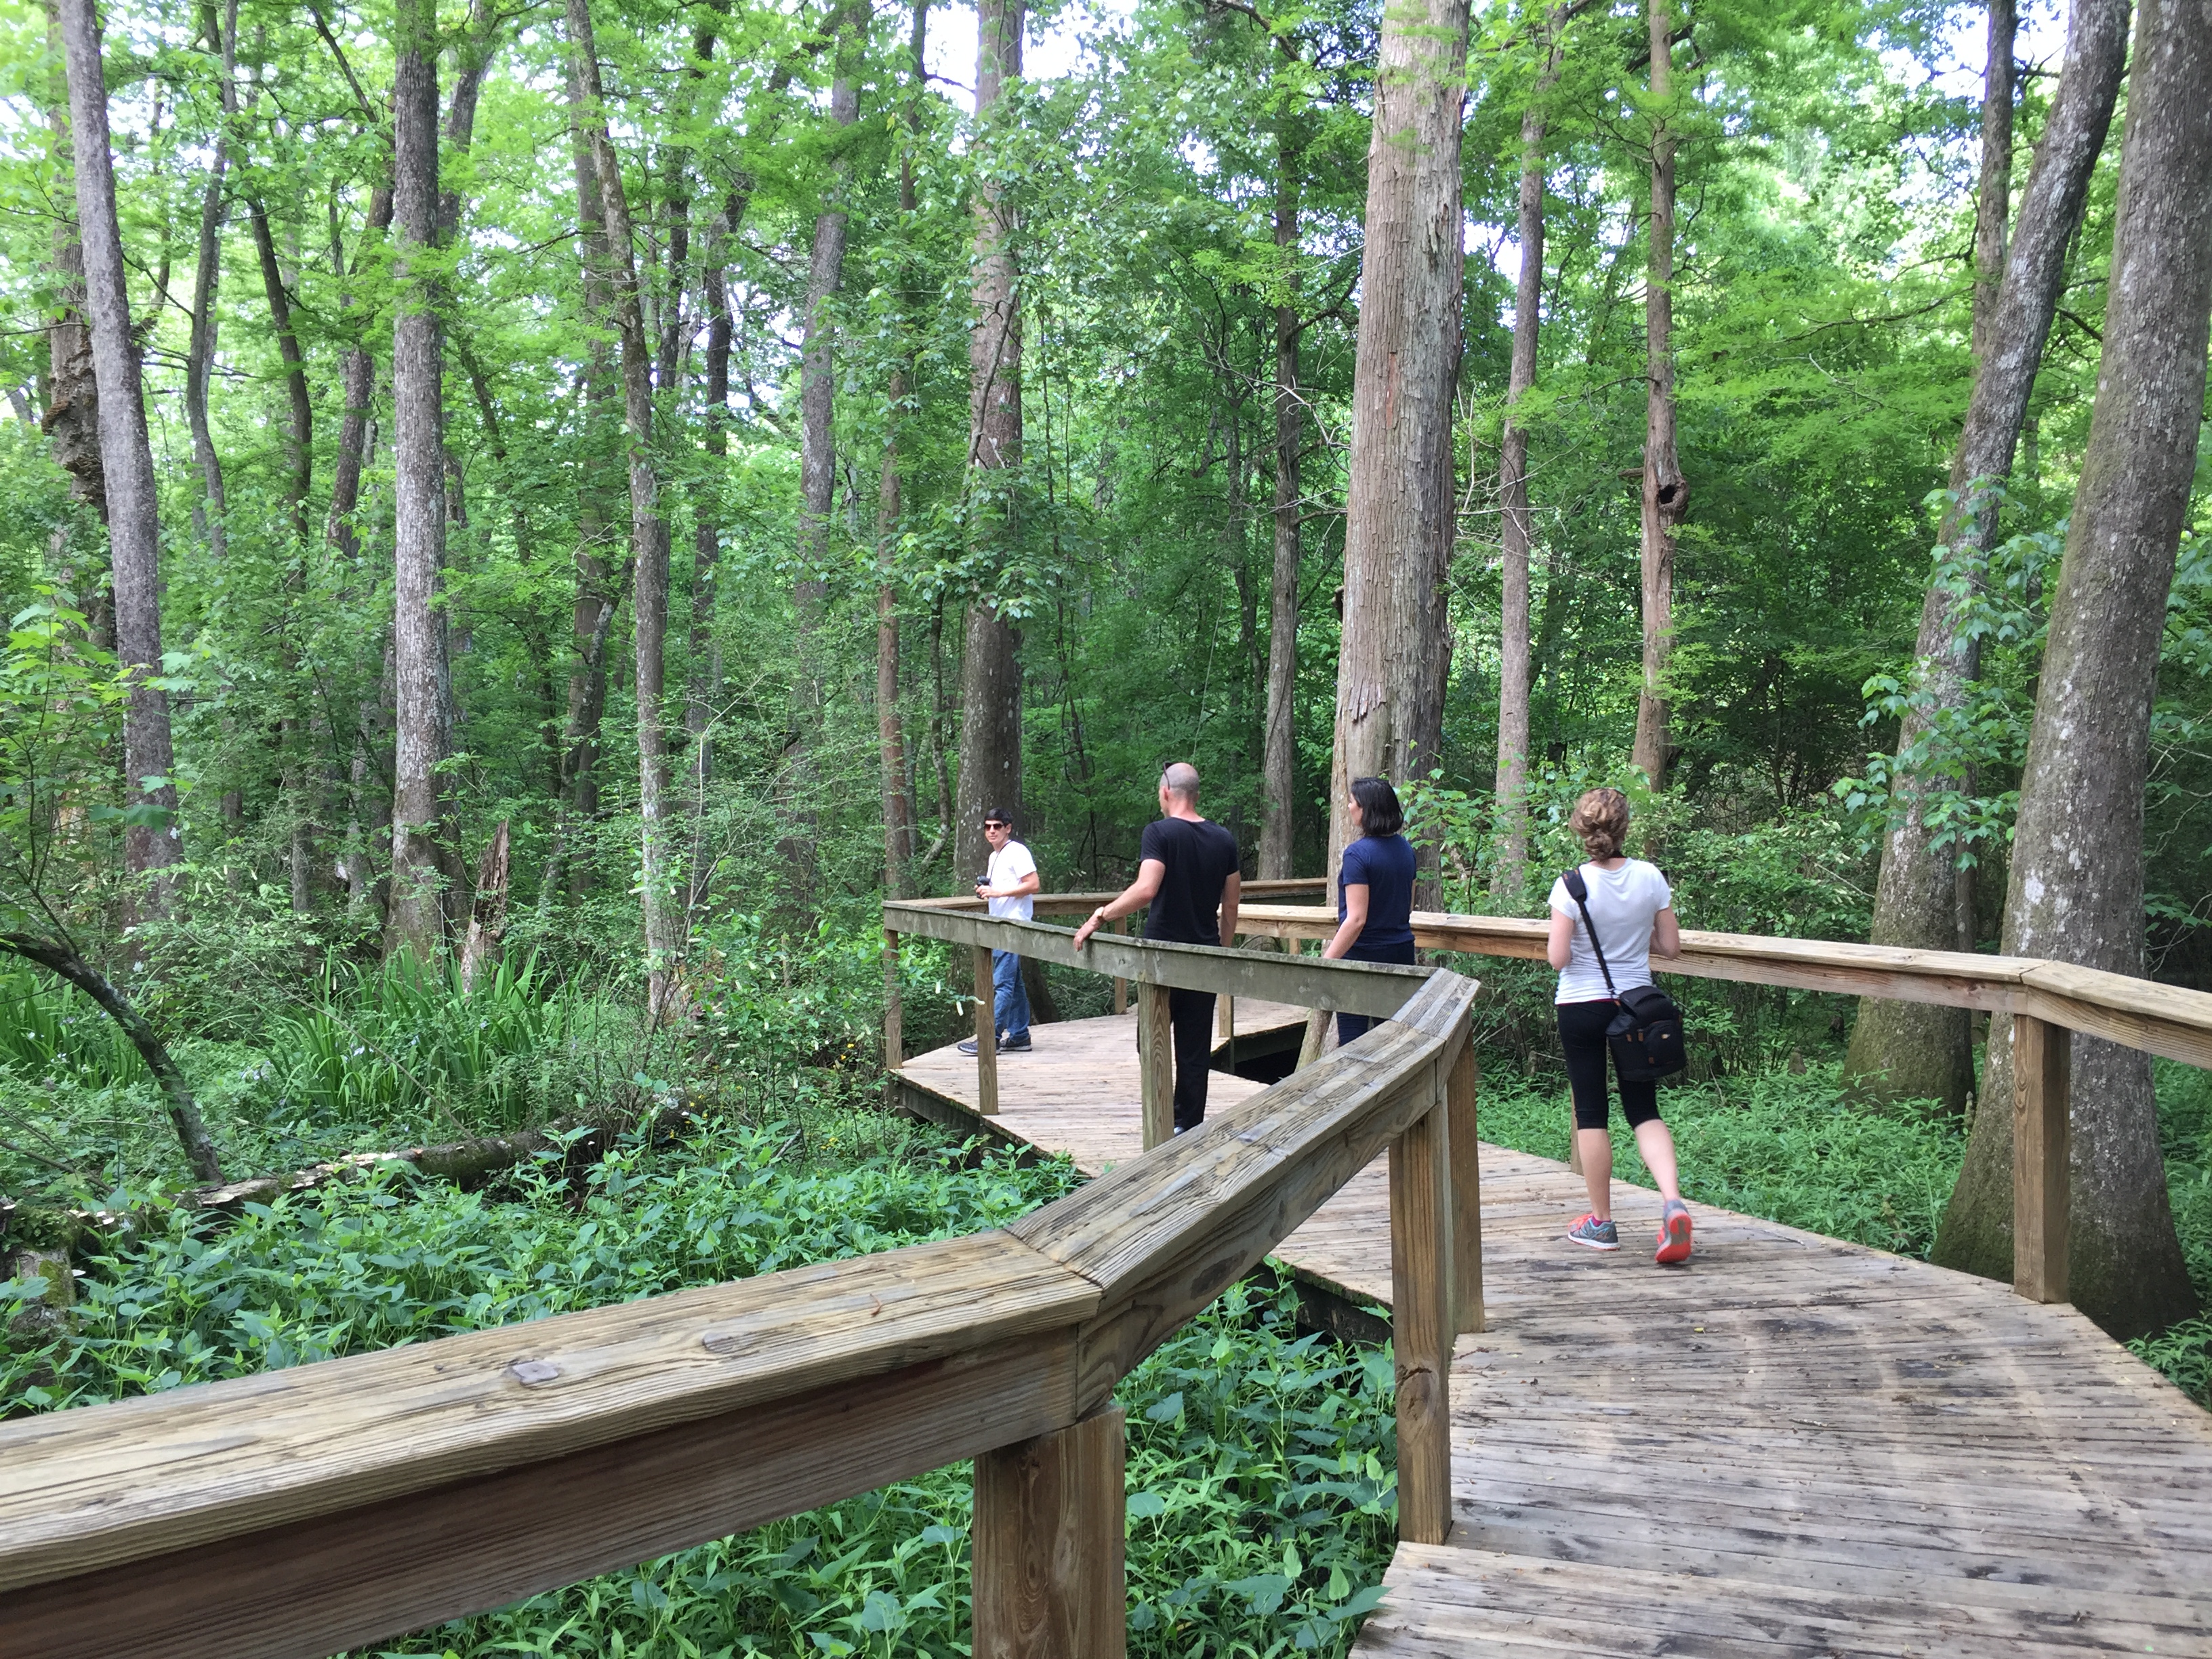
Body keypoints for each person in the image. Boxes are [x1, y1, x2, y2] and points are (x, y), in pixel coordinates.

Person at [1546, 786, 1693, 1264]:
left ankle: (1602, 1224)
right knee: (1643, 1108)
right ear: (1625, 826)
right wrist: (1634, 932)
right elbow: (1670, 947)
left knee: (1591, 1112)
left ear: (1581, 830)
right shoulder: (1650, 877)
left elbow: (1558, 958)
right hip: (1637, 1006)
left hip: (1581, 1007)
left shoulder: (1570, 885)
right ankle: (1672, 1203)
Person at [1072, 762, 1241, 1132]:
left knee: (1150, 1041)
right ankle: (1187, 1124)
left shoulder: (1158, 833)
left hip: (1161, 959)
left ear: (1166, 793)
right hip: (1205, 958)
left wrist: (1100, 915)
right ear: (1196, 794)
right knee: (1194, 1050)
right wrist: (1222, 951)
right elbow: (1231, 905)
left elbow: (1147, 889)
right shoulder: (1224, 839)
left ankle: (1162, 1119)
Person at [1322, 775, 1418, 1048]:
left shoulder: (1357, 854)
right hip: (1400, 953)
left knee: (1353, 1045)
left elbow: (1356, 919)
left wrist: (1325, 963)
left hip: (1362, 960)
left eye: (1353, 802)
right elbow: (1406, 907)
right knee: (1393, 1044)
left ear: (1367, 809)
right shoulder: (1406, 850)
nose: (1349, 807)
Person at [958, 808, 1040, 1056]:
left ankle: (990, 1038)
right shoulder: (995, 857)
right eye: (987, 827)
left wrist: (997, 893)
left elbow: (1033, 884)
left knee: (1001, 983)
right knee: (1013, 984)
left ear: (1008, 828)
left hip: (1012, 924)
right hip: (999, 922)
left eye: (997, 826)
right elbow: (1006, 885)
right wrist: (988, 889)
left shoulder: (1017, 851)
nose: (992, 831)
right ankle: (1019, 1036)